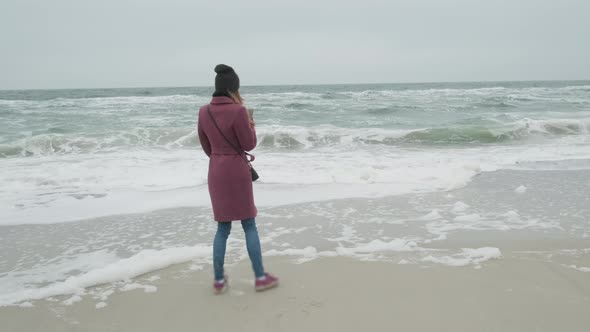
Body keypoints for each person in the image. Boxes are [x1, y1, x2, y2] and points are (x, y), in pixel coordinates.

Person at [197, 64, 278, 294]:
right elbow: (249, 144)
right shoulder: (239, 111)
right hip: (237, 170)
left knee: (222, 228)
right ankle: (261, 277)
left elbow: (206, 146)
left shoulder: (204, 111)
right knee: (249, 224)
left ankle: (219, 280)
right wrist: (251, 123)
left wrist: (219, 157)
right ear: (234, 88)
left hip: (216, 170)